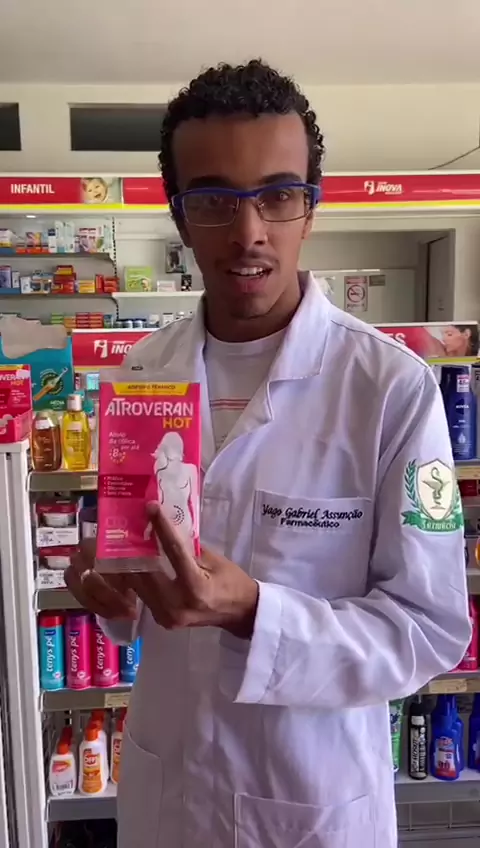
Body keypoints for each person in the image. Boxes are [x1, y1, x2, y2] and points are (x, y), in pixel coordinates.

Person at [65, 60, 470, 848]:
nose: (250, 231)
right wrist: (115, 596)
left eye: (278, 195)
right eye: (215, 200)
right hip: (170, 795)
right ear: (181, 216)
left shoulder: (391, 387)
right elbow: (139, 590)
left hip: (312, 800)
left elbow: (428, 630)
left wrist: (255, 612)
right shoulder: (140, 373)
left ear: (310, 208)